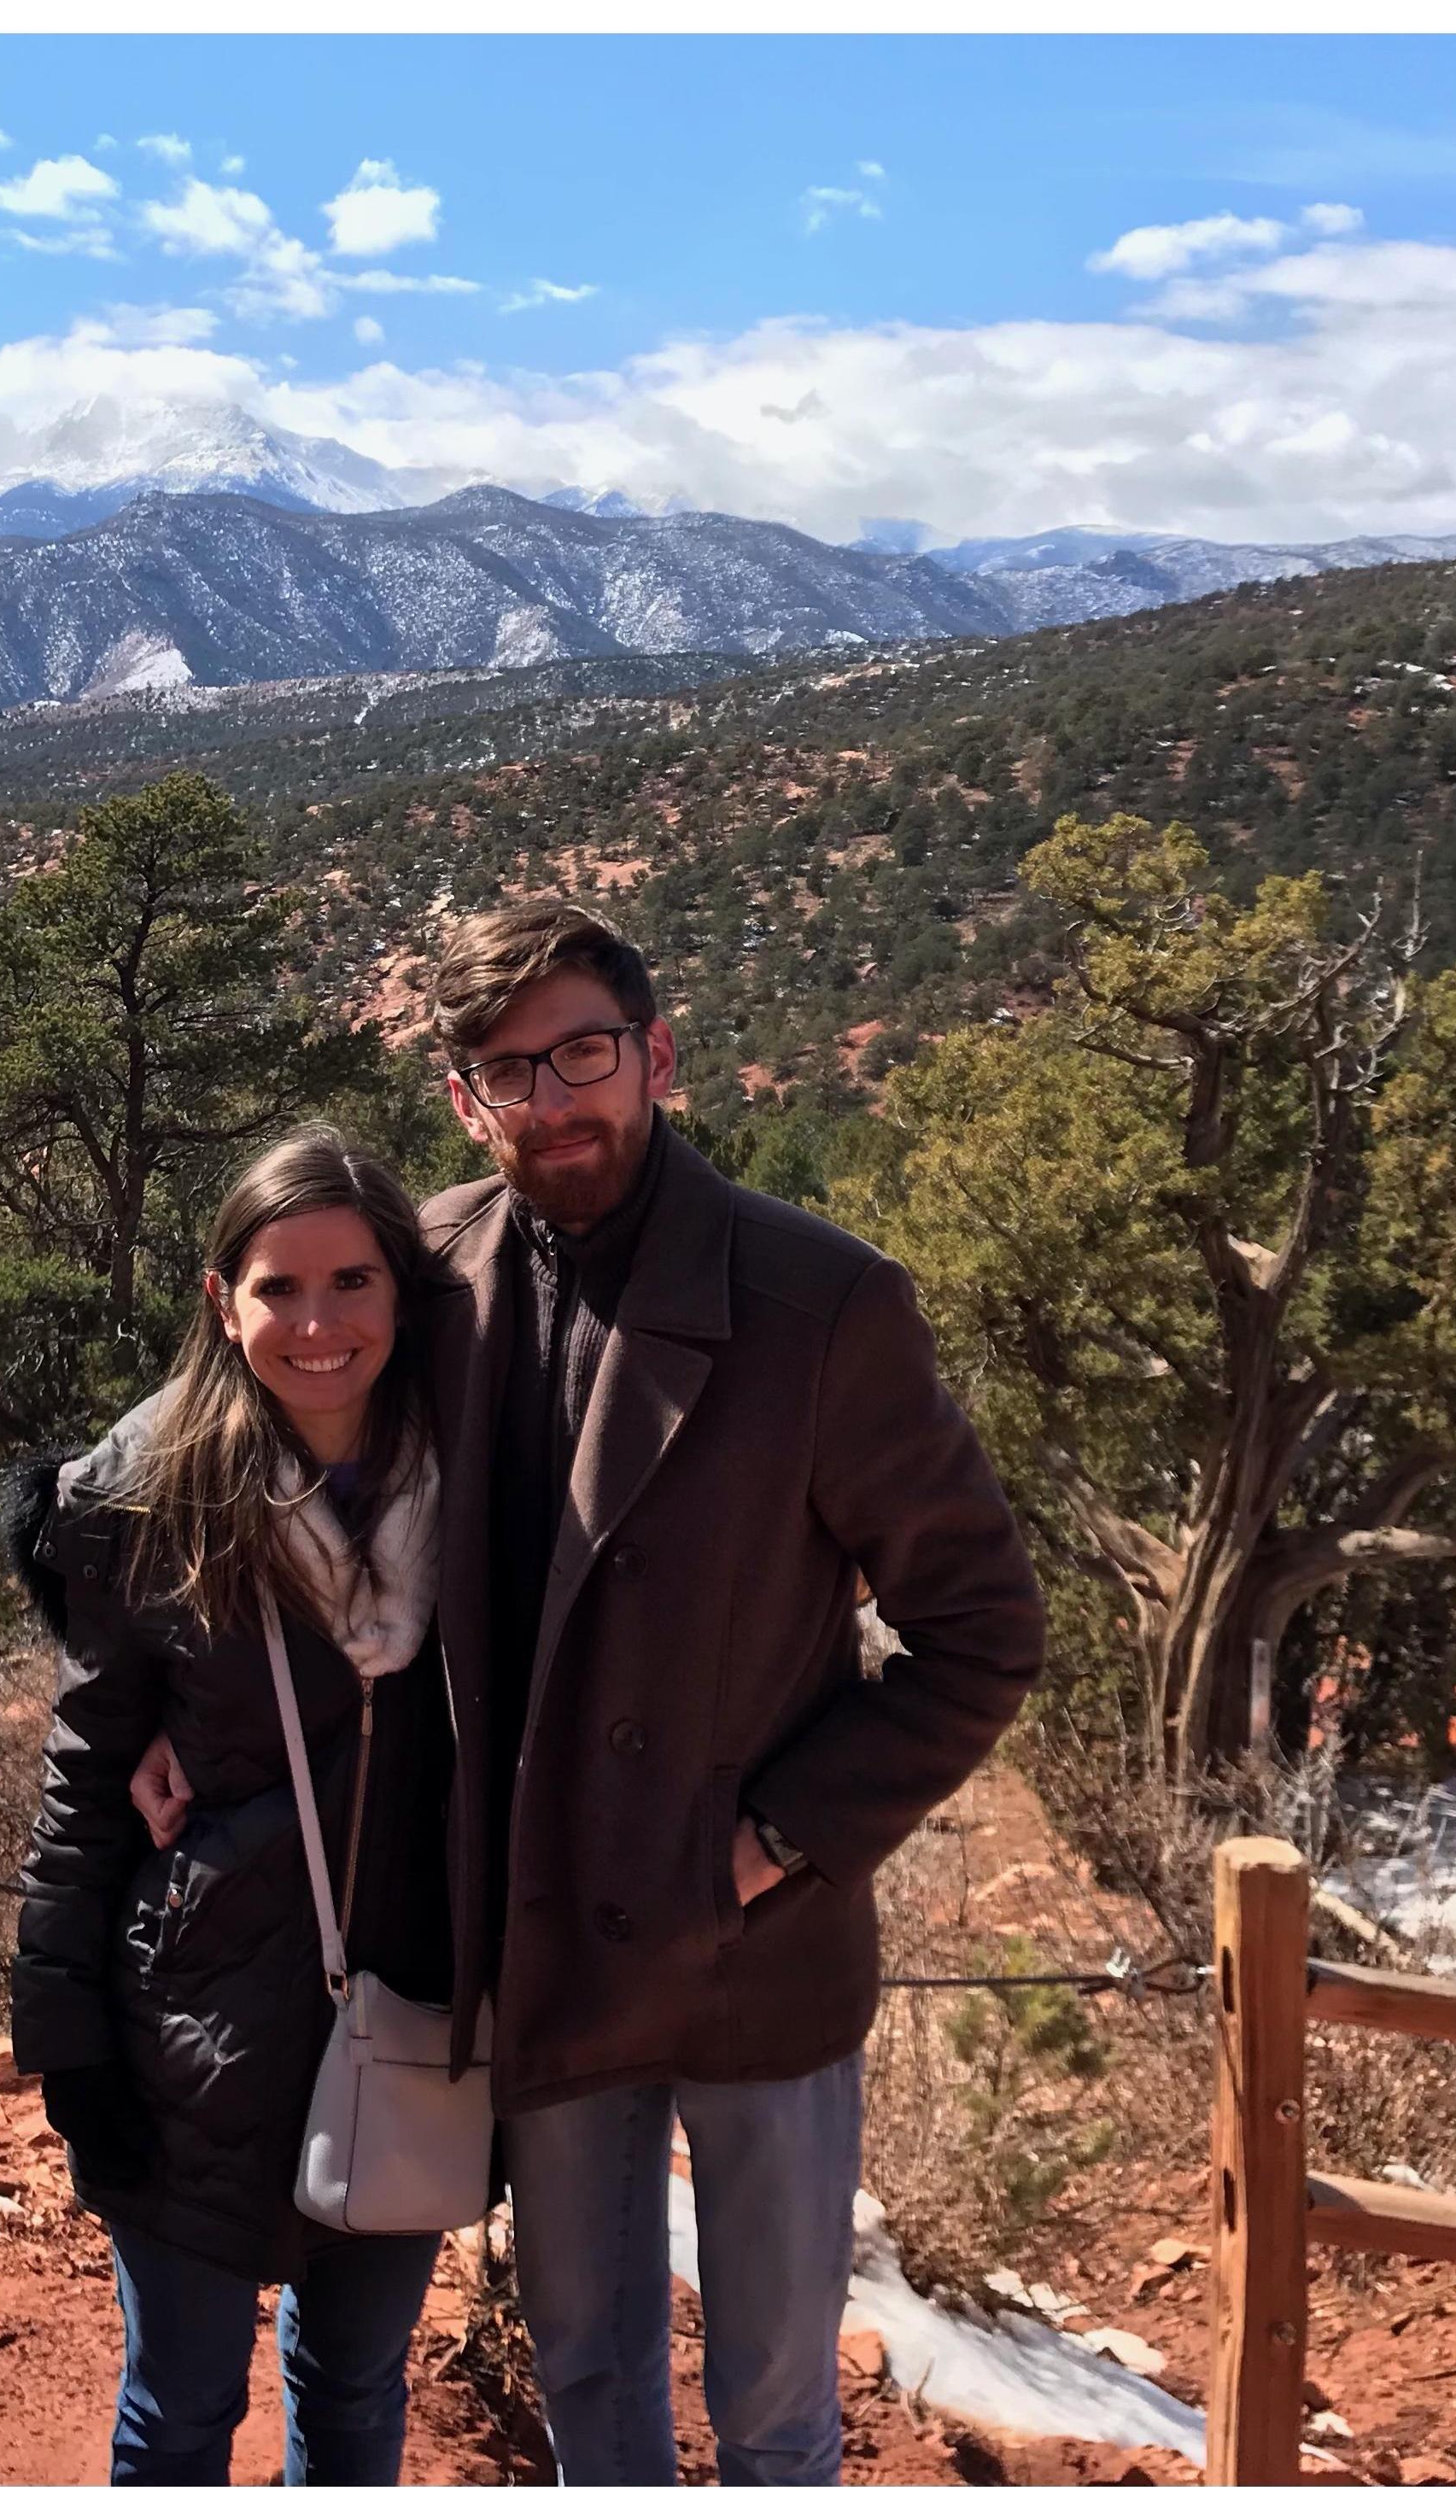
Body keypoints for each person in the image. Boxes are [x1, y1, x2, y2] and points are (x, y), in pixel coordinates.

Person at [411, 898, 1047, 2487]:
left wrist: (782, 1836)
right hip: (546, 1934)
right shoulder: (425, 1277)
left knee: (774, 2414)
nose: (553, 1103)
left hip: (752, 1946)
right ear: (463, 1097)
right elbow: (247, 1434)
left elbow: (980, 1628)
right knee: (592, 2380)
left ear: (658, 1057)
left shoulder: (820, 1303)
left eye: (584, 1055)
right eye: (510, 1071)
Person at [9, 1131, 459, 2488]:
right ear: (223, 1301)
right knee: (183, 2408)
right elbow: (89, 1776)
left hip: (412, 2017)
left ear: (404, 1293)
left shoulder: (483, 1485)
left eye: (353, 1282)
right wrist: (68, 2042)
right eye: (279, 1289)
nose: (317, 1324)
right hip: (193, 2037)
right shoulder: (157, 1499)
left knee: (359, 2392)